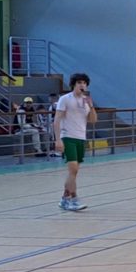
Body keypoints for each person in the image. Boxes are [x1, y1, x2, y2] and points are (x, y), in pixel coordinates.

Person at [53, 74, 98, 211]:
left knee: (74, 172)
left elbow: (93, 120)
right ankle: (74, 199)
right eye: (79, 82)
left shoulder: (86, 101)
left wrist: (91, 106)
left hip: (80, 138)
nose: (82, 85)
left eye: (84, 83)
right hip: (68, 137)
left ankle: (64, 198)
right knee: (73, 169)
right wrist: (58, 139)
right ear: (73, 84)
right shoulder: (65, 99)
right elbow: (57, 120)